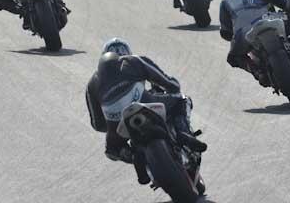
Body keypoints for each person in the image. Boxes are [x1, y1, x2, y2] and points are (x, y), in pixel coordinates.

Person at [86, 38, 207, 185]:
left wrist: (114, 122)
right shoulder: (134, 61)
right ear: (126, 53)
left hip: (118, 126)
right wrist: (171, 87)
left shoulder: (92, 84)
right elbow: (170, 84)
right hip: (145, 103)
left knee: (112, 149)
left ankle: (137, 158)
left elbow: (97, 124)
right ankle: (183, 133)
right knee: (182, 100)